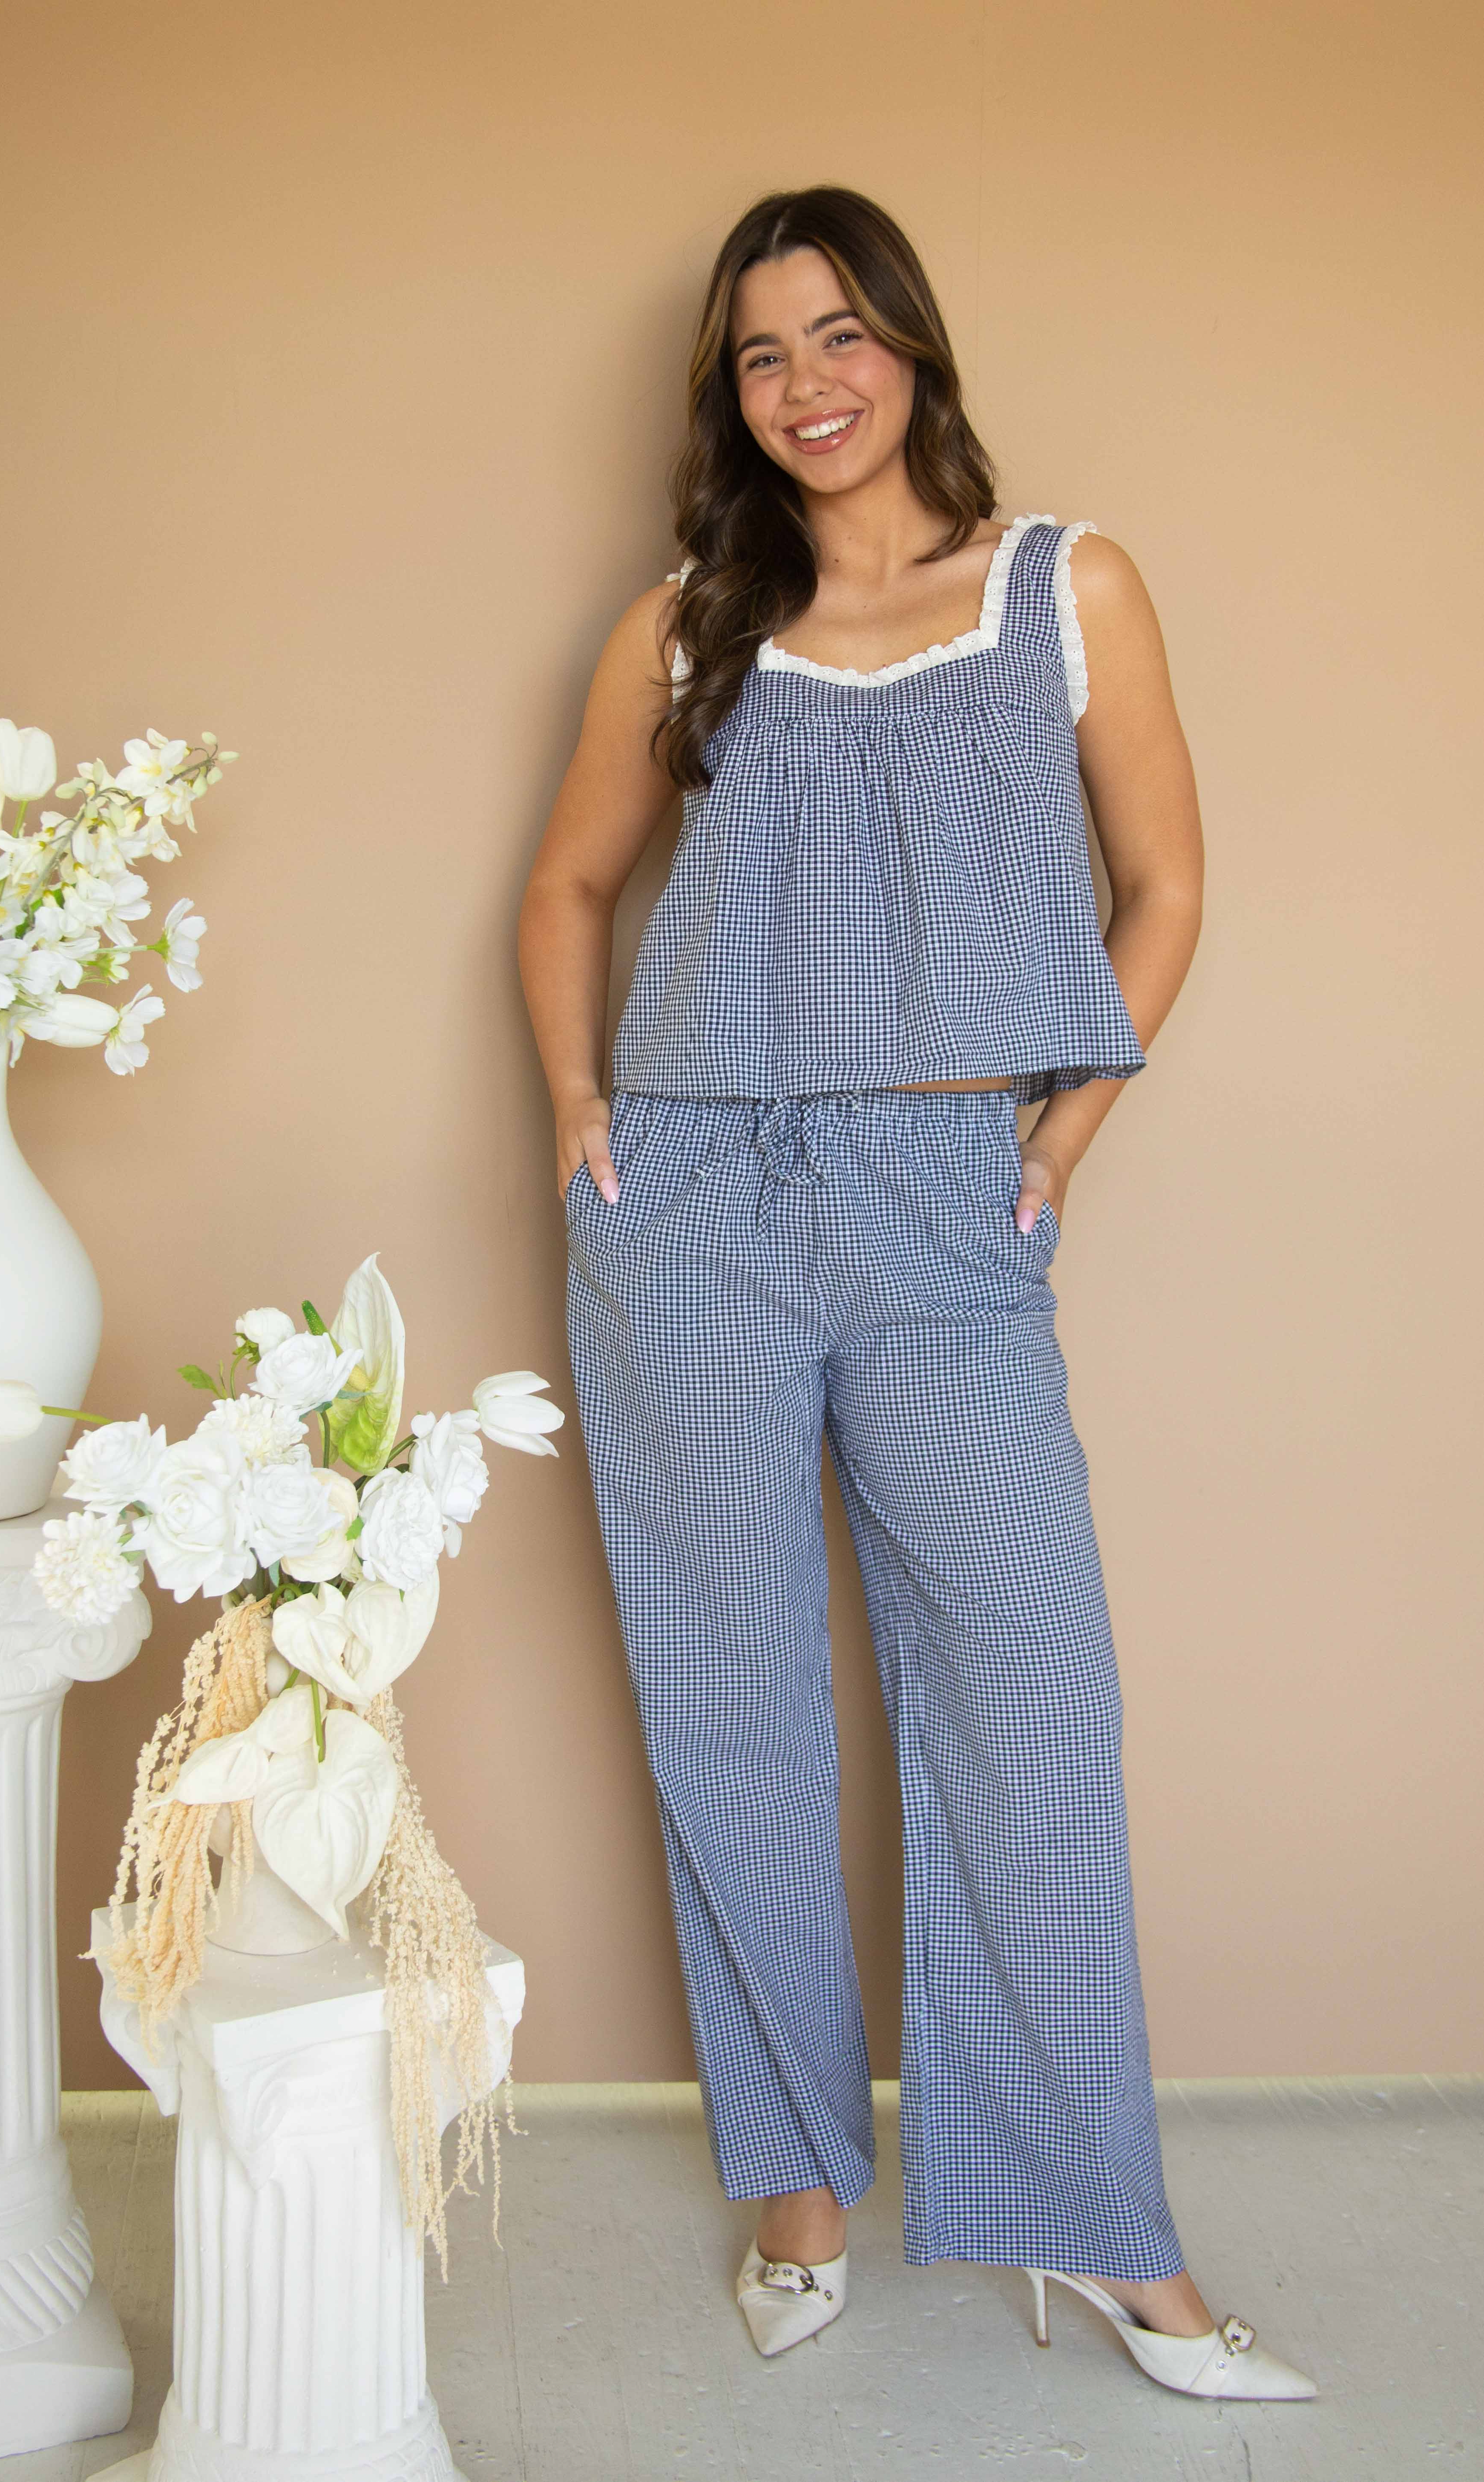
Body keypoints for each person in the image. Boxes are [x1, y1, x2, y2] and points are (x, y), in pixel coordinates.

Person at [518, 185, 1314, 2401]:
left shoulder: (1065, 587)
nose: (809, 385)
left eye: (843, 334)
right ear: (731, 393)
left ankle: (1100, 2232)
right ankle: (795, 2189)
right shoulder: (686, 625)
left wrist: (1056, 1140)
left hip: (947, 1198)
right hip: (693, 1199)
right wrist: (582, 1110)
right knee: (731, 1697)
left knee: (1025, 1700)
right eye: (764, 354)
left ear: (912, 345)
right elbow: (568, 886)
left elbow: (1164, 887)